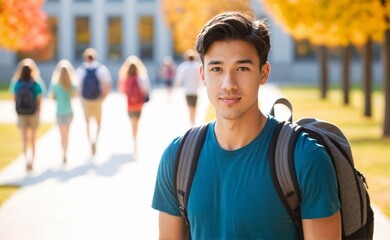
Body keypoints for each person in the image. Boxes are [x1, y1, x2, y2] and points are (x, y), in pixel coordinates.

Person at [152, 11, 341, 239]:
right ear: (202, 74)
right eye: (217, 69)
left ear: (263, 73)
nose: (229, 84)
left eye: (242, 68)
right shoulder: (177, 158)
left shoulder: (305, 158)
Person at [76, 48, 112, 155]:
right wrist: (103, 98)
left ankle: (89, 142)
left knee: (87, 122)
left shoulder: (81, 70)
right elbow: (107, 85)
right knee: (98, 122)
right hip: (97, 99)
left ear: (85, 58)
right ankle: (95, 140)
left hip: (86, 100)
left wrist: (81, 99)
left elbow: (77, 87)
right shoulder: (101, 69)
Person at [11, 61, 43, 172]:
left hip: (21, 113)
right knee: (33, 139)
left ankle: (26, 160)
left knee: (24, 139)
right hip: (33, 113)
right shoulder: (36, 84)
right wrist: (39, 112)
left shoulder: (17, 84)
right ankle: (32, 161)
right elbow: (39, 100)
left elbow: (14, 99)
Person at [118, 55, 150, 153]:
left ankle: (134, 139)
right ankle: (136, 138)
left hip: (129, 104)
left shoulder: (125, 78)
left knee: (132, 122)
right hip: (139, 104)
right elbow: (145, 89)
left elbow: (122, 90)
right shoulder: (141, 77)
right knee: (137, 122)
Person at [48, 59, 77, 164]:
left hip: (60, 113)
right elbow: (75, 96)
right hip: (69, 112)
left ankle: (63, 153)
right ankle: (66, 152)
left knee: (62, 135)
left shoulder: (55, 85)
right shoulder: (72, 85)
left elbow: (51, 98)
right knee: (67, 135)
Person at [175, 49, 202, 126]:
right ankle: (194, 120)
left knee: (190, 107)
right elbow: (201, 78)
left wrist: (177, 88)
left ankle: (192, 122)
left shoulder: (183, 67)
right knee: (195, 106)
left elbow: (179, 79)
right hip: (195, 90)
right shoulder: (197, 66)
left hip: (187, 91)